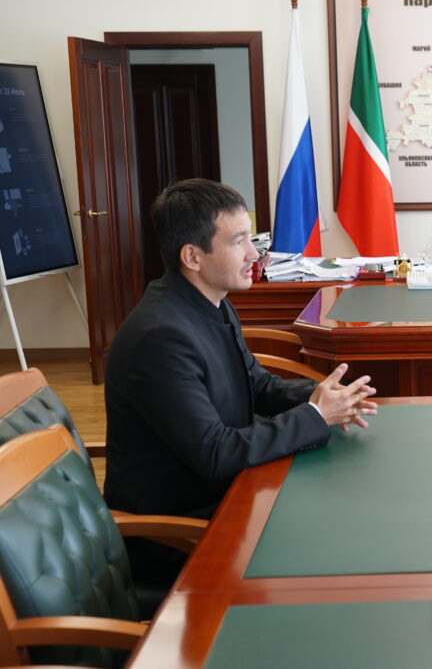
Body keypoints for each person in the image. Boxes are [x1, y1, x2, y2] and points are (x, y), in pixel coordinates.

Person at [104, 178, 377, 584]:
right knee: (332, 540)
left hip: (228, 497)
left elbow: (258, 386)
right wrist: (316, 416)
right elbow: (215, 453)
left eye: (251, 238)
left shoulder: (210, 303)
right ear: (192, 256)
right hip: (177, 534)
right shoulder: (160, 337)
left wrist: (326, 397)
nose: (254, 254)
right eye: (238, 242)